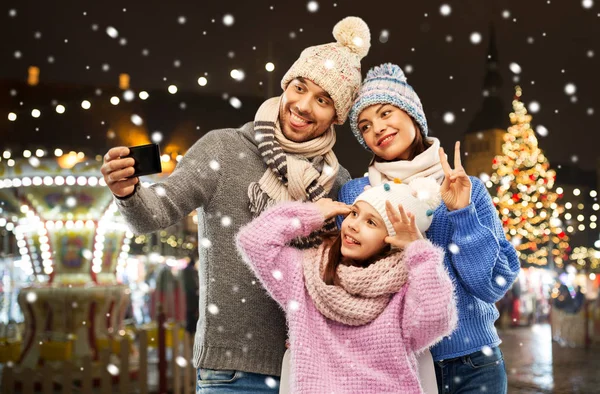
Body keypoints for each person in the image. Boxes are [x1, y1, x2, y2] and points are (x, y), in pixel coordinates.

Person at [100, 16, 371, 393]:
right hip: (230, 371)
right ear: (286, 85)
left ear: (336, 116)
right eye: (300, 87)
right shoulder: (224, 149)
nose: (304, 106)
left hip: (312, 371)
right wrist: (127, 191)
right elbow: (154, 213)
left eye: (323, 100)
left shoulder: (338, 183)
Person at [338, 63, 521, 394]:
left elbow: (491, 286)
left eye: (385, 113)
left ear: (413, 117)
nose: (377, 128)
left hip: (474, 365)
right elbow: (345, 284)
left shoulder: (466, 188)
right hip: (393, 368)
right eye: (365, 126)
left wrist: (462, 213)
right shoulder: (356, 196)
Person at [236, 179, 457, 393]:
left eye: (371, 222)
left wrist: (420, 252)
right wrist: (312, 214)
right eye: (354, 213)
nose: (353, 225)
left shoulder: (406, 289)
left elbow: (435, 321)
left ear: (391, 240)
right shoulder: (305, 274)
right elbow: (254, 241)